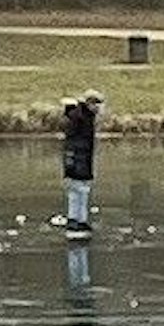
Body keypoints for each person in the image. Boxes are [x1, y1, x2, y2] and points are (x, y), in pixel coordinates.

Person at [62, 89, 103, 235]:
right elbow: (74, 144)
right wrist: (72, 164)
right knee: (79, 190)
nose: (99, 108)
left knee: (79, 191)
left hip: (80, 160)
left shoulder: (83, 117)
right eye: (97, 104)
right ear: (90, 103)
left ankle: (78, 220)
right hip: (78, 160)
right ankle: (77, 222)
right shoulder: (81, 119)